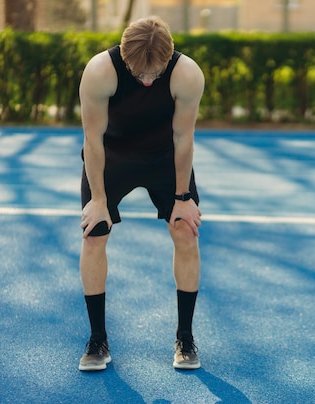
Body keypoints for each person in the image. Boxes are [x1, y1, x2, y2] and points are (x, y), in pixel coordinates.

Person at [77, 15, 204, 371]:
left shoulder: (187, 74)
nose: (147, 81)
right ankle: (97, 339)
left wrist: (183, 197)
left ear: (169, 57)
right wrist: (99, 201)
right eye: (138, 74)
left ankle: (186, 337)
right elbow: (93, 139)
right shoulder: (100, 71)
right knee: (94, 234)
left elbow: (183, 137)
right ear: (123, 55)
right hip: (111, 156)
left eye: (155, 74)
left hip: (164, 156)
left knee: (186, 231)